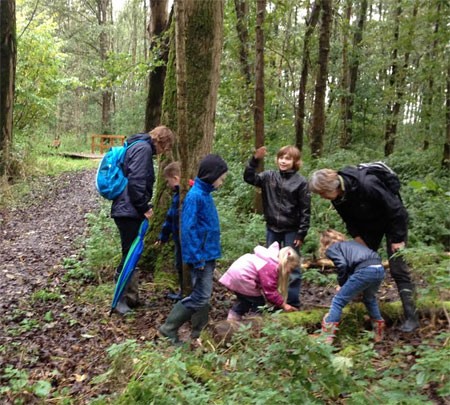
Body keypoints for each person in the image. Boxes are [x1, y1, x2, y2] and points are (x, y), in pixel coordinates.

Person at [309, 167, 419, 332]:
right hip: (369, 226)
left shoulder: (367, 184)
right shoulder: (337, 197)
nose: (322, 197)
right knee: (360, 264)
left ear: (332, 187)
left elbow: (396, 209)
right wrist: (359, 240)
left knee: (398, 269)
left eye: (322, 193)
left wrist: (397, 238)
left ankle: (412, 317)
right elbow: (349, 221)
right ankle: (362, 306)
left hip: (392, 223)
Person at [159, 154, 228, 344]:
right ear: (211, 175)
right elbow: (188, 230)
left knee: (203, 294)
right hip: (201, 257)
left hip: (208, 254)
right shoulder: (195, 196)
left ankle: (200, 330)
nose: (221, 182)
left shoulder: (204, 195)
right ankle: (169, 328)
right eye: (221, 178)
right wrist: (197, 258)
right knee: (200, 295)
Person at [111, 126, 175, 315]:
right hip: (128, 210)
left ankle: (131, 298)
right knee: (128, 255)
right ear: (161, 141)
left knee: (132, 253)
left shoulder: (138, 145)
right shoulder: (144, 149)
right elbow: (136, 182)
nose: (164, 152)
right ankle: (119, 301)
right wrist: (144, 207)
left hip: (127, 208)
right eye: (166, 147)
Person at [243, 145, 311, 308]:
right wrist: (255, 160)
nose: (283, 161)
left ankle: (293, 302)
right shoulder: (269, 177)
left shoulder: (301, 182)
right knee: (270, 265)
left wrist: (301, 234)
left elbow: (305, 210)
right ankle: (273, 301)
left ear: (295, 161)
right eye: (281, 157)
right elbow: (249, 178)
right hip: (272, 228)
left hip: (292, 230)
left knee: (292, 267)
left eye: (288, 158)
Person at [318, 229, 385, 343]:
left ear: (324, 243)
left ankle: (326, 337)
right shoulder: (352, 245)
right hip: (379, 268)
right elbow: (352, 266)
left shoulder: (332, 248)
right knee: (369, 298)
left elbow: (342, 265)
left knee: (338, 301)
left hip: (365, 270)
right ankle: (378, 330)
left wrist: (342, 284)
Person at [219, 242, 301, 321]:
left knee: (244, 301)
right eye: (291, 269)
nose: (290, 272)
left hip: (235, 275)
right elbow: (270, 292)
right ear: (285, 262)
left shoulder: (269, 258)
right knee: (259, 303)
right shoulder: (271, 267)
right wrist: (284, 305)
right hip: (244, 277)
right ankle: (255, 323)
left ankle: (231, 321)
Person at [155, 162, 183, 301]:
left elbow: (172, 217)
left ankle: (187, 293)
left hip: (185, 239)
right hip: (178, 237)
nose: (167, 185)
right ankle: (183, 292)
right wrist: (163, 237)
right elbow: (170, 217)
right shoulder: (177, 195)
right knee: (179, 264)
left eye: (168, 181)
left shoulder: (185, 194)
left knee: (184, 265)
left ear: (176, 178)